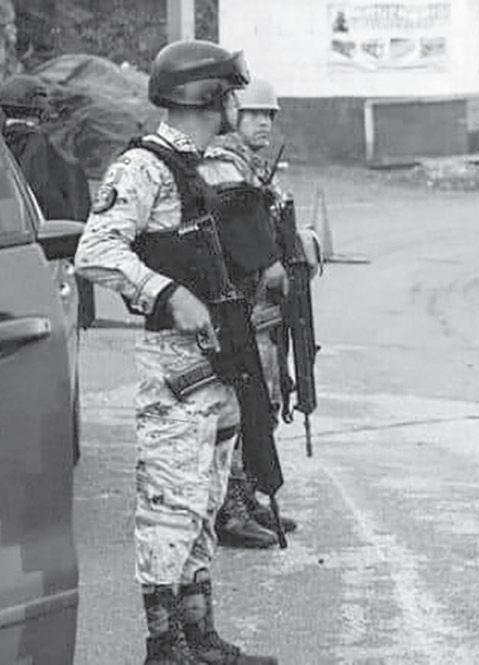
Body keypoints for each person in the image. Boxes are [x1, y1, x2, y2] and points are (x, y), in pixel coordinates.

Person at [74, 39, 279, 665]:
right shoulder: (144, 168)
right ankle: (164, 646)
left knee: (206, 503)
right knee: (170, 506)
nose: (236, 104)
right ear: (208, 96)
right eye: (229, 93)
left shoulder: (203, 166)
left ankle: (198, 634)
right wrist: (166, 293)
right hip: (175, 369)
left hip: (218, 366)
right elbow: (95, 251)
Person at [201, 79, 311, 549]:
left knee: (262, 404)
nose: (264, 122)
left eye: (269, 115)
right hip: (239, 310)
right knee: (240, 406)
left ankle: (248, 495)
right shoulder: (220, 165)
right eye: (254, 114)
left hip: (262, 312)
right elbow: (238, 236)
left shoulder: (252, 166)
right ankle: (231, 508)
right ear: (232, 116)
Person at [0, 73, 96, 328]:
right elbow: (64, 208)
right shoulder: (46, 150)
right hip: (42, 260)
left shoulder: (6, 149)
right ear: (39, 108)